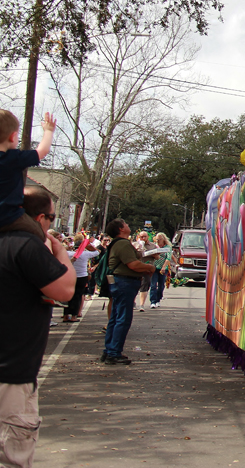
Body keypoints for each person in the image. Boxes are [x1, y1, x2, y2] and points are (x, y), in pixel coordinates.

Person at [0, 186, 75, 467]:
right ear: (41, 217)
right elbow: (65, 290)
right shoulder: (25, 245)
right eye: (53, 219)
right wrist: (61, 252)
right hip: (11, 370)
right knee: (12, 452)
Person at [102, 219, 154, 365]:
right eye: (126, 224)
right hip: (124, 282)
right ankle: (113, 352)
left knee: (116, 317)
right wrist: (149, 268)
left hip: (119, 281)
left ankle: (109, 350)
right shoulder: (123, 244)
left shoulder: (118, 243)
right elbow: (133, 265)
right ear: (120, 229)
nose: (128, 226)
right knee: (122, 319)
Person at [0, 110, 56, 240]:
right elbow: (42, 151)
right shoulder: (12, 158)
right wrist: (48, 131)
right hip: (10, 216)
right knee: (38, 233)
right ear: (12, 137)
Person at [63, 233, 100, 322]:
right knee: (78, 296)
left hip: (69, 276)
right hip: (82, 276)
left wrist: (67, 248)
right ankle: (74, 316)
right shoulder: (85, 254)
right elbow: (97, 252)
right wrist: (88, 246)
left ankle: (66, 315)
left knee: (68, 295)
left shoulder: (68, 253)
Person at [148, 232, 172, 308]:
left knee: (161, 285)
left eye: (159, 239)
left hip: (163, 268)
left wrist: (164, 267)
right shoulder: (155, 246)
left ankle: (158, 299)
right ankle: (153, 301)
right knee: (153, 285)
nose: (158, 241)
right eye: (157, 239)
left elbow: (168, 258)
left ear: (163, 239)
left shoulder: (167, 247)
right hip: (154, 267)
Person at [134, 231, 156, 312]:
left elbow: (157, 257)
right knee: (134, 286)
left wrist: (153, 254)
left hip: (147, 269)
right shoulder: (134, 245)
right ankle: (133, 302)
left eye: (145, 237)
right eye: (141, 237)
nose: (143, 238)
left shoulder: (153, 246)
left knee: (144, 286)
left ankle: (142, 305)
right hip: (136, 268)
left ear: (148, 237)